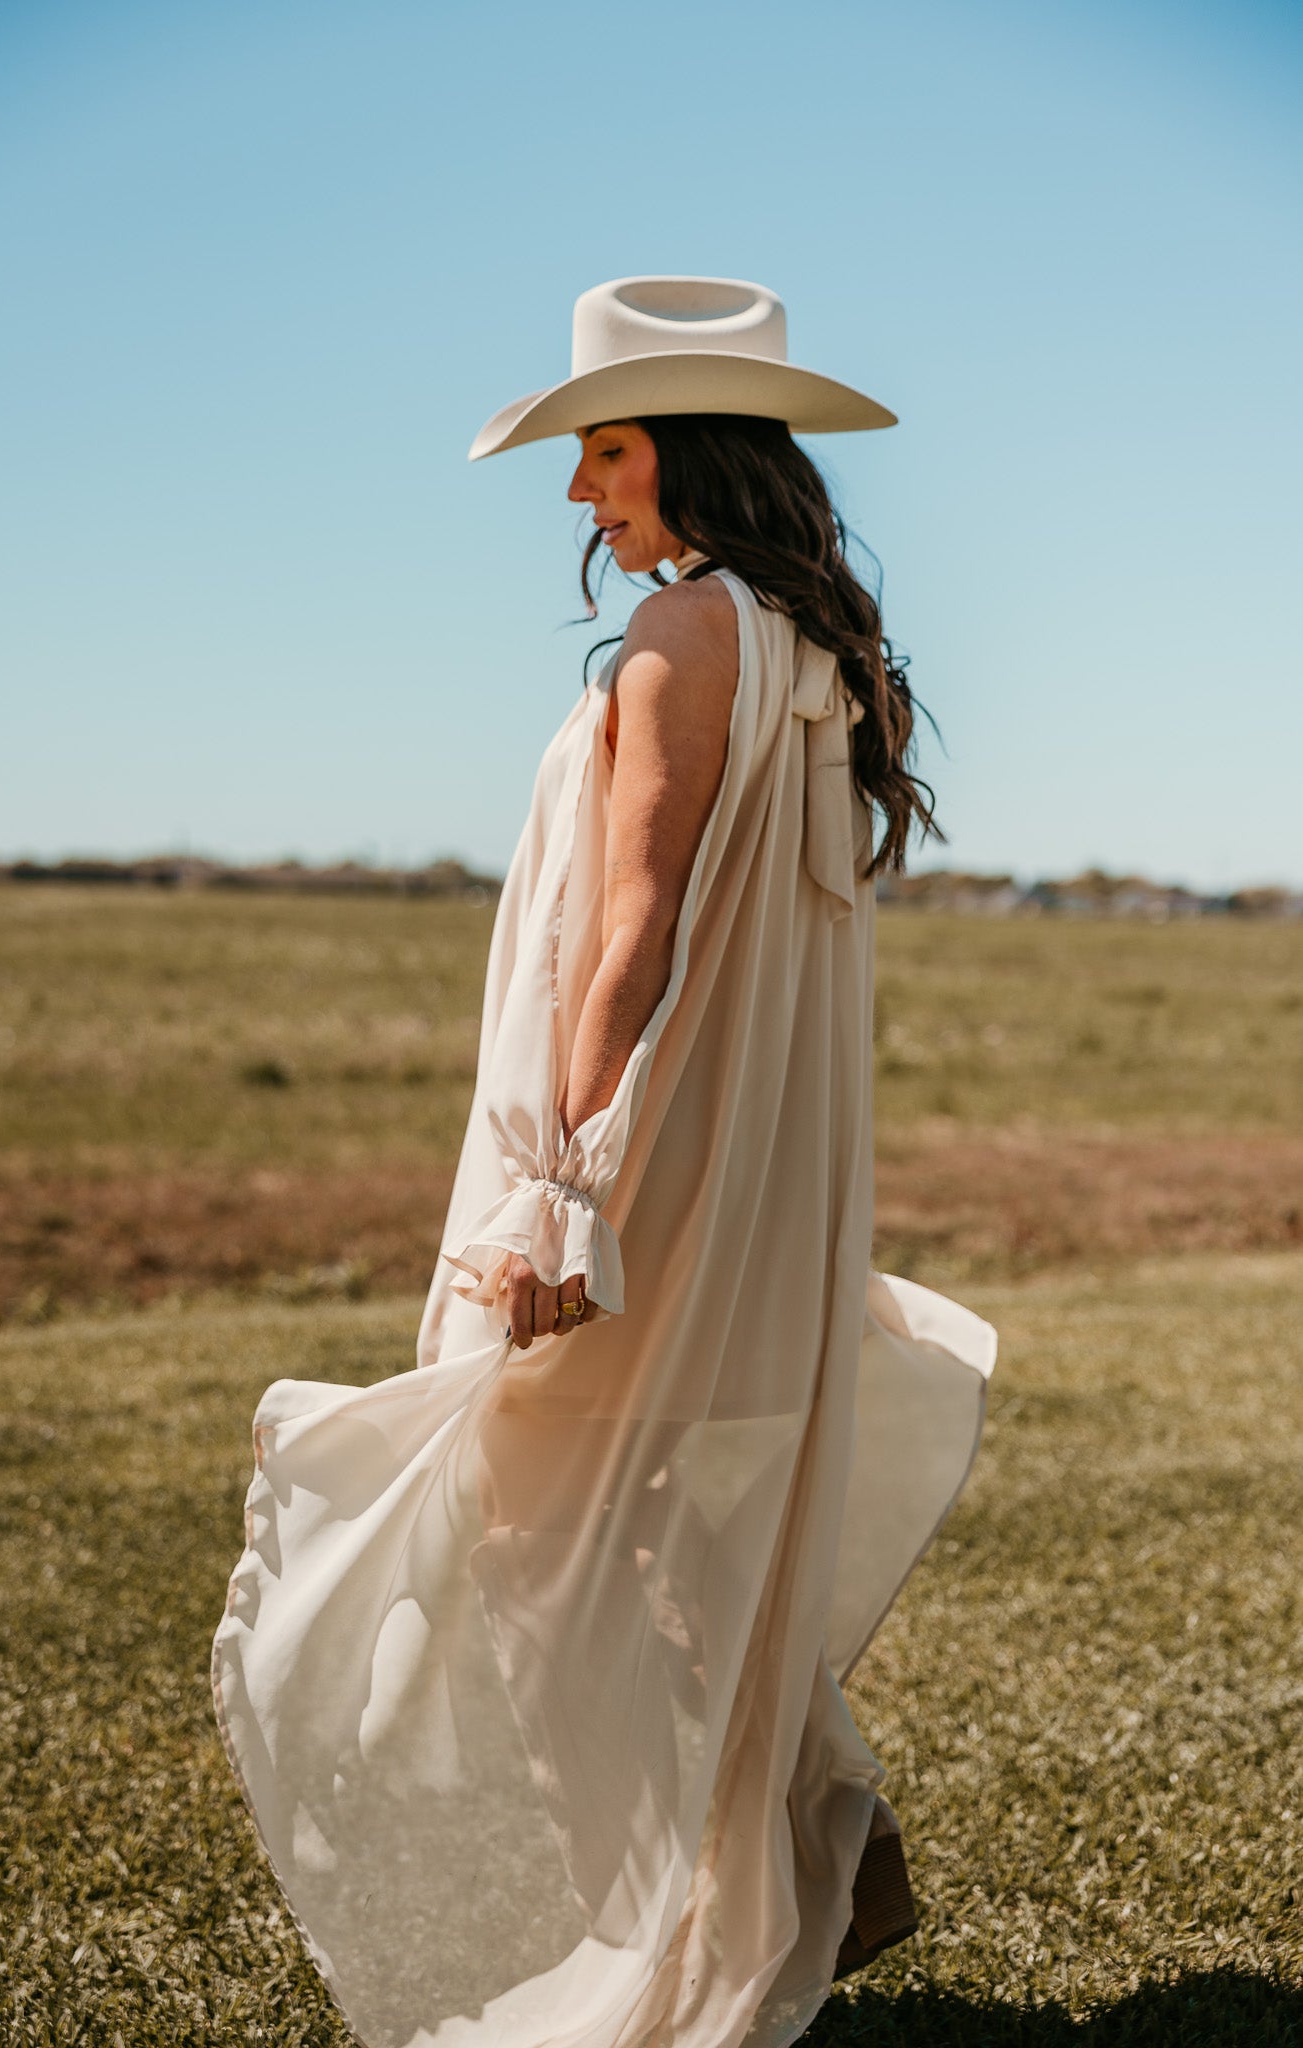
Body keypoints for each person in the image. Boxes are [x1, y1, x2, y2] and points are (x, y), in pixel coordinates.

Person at [212, 275, 998, 2048]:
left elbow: (631, 926)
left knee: (532, 1521)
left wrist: (558, 1193)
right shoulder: (816, 651)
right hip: (751, 1155)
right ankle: (814, 1824)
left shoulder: (679, 636)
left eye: (608, 451)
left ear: (695, 452)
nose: (581, 492)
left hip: (634, 1160)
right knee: (636, 1516)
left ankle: (706, 1910)